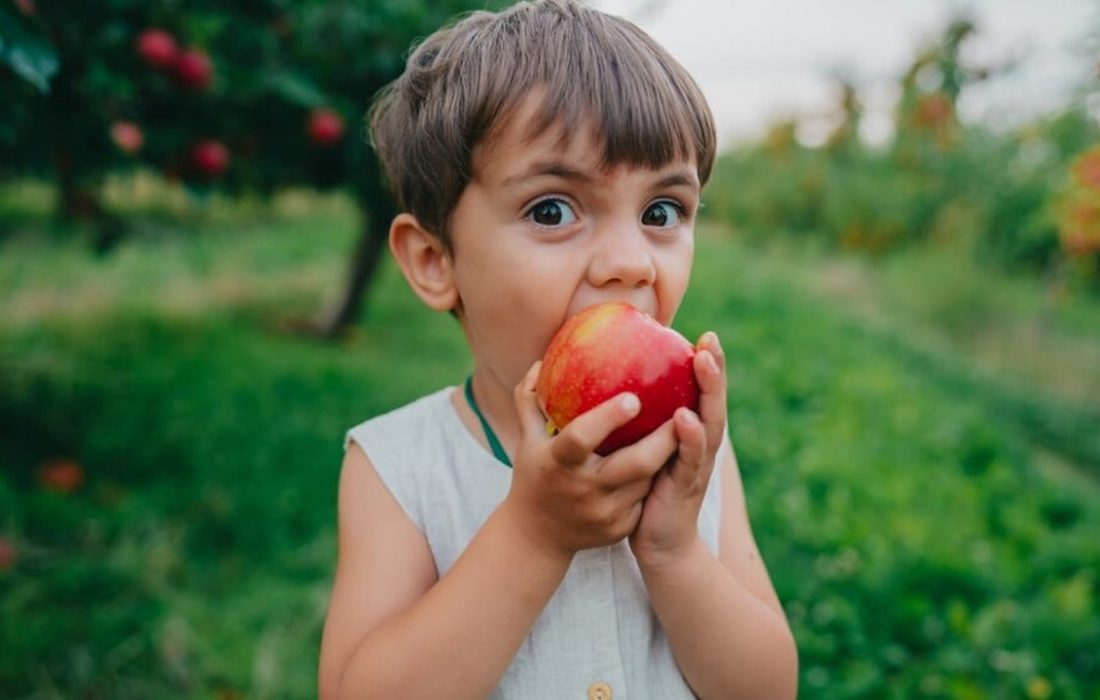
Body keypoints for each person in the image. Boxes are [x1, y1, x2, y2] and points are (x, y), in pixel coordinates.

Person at [318, 1, 798, 697]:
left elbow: (766, 689)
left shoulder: (695, 455)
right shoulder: (400, 469)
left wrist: (674, 550)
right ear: (434, 260)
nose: (631, 261)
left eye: (662, 212)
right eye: (552, 210)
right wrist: (533, 535)